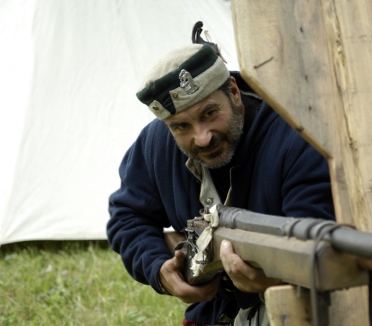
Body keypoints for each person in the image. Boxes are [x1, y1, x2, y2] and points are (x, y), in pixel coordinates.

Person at [107, 43, 335, 325]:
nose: (202, 138)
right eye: (181, 127)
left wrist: (275, 277)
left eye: (209, 114)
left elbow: (316, 238)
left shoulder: (296, 135)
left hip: (302, 310)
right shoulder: (156, 143)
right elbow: (127, 217)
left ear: (234, 92)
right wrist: (159, 271)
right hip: (213, 314)